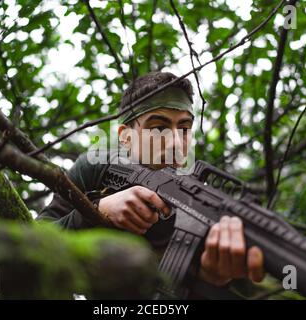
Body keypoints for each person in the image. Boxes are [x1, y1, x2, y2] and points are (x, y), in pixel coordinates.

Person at [38, 71, 265, 290]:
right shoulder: (97, 167)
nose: (176, 142)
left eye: (185, 129)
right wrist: (96, 210)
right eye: (159, 128)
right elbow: (35, 238)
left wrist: (211, 276)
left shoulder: (202, 197)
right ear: (126, 137)